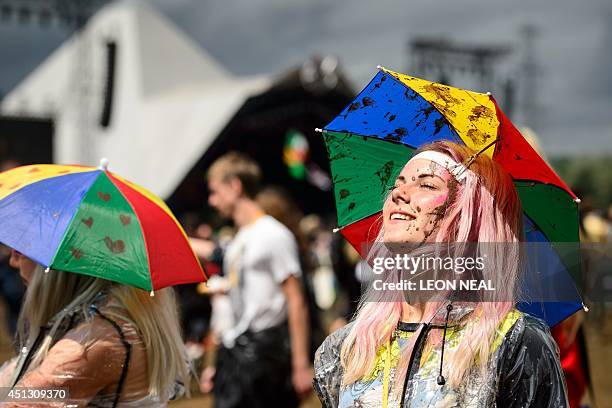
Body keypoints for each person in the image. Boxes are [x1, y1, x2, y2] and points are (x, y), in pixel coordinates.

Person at [313, 141, 569, 407]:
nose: (399, 193)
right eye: (397, 184)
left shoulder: (515, 345)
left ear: (469, 216)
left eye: (426, 185)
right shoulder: (346, 350)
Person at [0, 249, 191, 407]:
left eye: (23, 249)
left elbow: (19, 402)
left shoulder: (93, 340)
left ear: (66, 257)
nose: (13, 260)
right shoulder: (109, 319)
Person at [204, 152, 312, 407]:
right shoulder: (240, 238)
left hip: (266, 356)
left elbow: (296, 301)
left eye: (215, 191)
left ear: (235, 186)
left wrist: (300, 365)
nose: (212, 201)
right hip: (236, 354)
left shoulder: (273, 234)